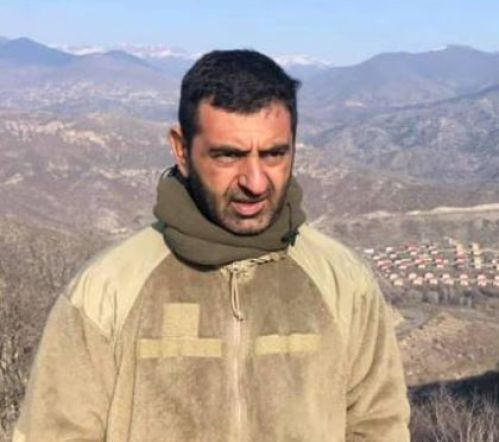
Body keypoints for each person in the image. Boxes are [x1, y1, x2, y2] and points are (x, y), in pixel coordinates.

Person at [13, 49, 410, 441]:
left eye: (274, 154)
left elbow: (379, 426)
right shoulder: (106, 292)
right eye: (227, 156)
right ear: (182, 150)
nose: (255, 182)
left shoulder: (343, 283)